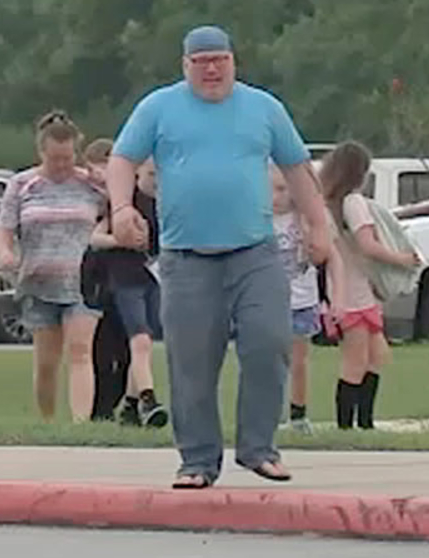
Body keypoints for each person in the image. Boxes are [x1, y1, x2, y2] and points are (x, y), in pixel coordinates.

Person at [108, 24, 331, 488]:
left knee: (270, 342)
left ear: (233, 61)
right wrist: (123, 207)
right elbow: (122, 158)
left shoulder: (263, 107)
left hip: (255, 251)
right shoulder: (159, 107)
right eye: (201, 61)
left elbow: (297, 167)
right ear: (185, 66)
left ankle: (259, 449)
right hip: (187, 256)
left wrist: (318, 225)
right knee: (192, 359)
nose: (211, 69)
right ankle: (197, 460)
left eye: (219, 60)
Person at [0, 111, 105, 422]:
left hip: (83, 280)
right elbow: (4, 228)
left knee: (81, 351)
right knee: (46, 362)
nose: (61, 165)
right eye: (55, 158)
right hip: (38, 280)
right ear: (41, 152)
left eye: (67, 158)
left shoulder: (89, 184)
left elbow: (122, 207)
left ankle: (81, 424)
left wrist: (105, 179)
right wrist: (5, 253)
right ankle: (48, 422)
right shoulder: (22, 184)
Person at [317, 141, 420, 430]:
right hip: (356, 293)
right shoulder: (354, 203)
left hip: (344, 287)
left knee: (377, 355)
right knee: (356, 359)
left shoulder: (327, 206)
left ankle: (362, 420)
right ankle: (351, 424)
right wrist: (401, 259)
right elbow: (367, 245)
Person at [92, 157, 167, 428]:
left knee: (146, 339)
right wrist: (118, 239)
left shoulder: (166, 203)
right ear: (138, 172)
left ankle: (132, 404)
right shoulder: (125, 201)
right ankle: (148, 398)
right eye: (151, 173)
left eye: (161, 174)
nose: (156, 180)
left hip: (153, 278)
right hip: (125, 279)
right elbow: (95, 237)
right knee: (140, 339)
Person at [81, 138, 130, 421]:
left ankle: (117, 402)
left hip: (124, 278)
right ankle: (100, 409)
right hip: (97, 278)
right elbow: (93, 236)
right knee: (99, 348)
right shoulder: (90, 198)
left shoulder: (124, 198)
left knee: (125, 350)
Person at [271, 163, 322, 435]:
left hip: (301, 299)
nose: (277, 197)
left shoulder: (303, 220)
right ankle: (268, 413)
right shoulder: (260, 220)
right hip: (269, 300)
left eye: (282, 189)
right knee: (270, 359)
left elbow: (323, 254)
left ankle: (298, 414)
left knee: (299, 360)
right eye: (271, 189)